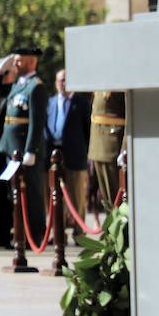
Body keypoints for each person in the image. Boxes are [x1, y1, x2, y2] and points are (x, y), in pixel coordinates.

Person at [0, 46, 48, 244]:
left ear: (31, 62)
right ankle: (20, 233)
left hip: (25, 151)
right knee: (15, 195)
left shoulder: (36, 87)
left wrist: (31, 150)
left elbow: (37, 122)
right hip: (11, 148)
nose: (16, 64)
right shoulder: (19, 84)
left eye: (19, 60)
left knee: (32, 194)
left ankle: (36, 235)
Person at [46, 69, 92, 228]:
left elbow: (88, 130)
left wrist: (86, 153)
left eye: (66, 80)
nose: (62, 83)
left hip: (75, 156)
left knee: (77, 196)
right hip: (53, 155)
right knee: (54, 196)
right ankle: (58, 232)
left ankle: (79, 232)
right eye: (60, 80)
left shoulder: (82, 103)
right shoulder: (51, 102)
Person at [88, 90, 128, 212]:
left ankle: (120, 229)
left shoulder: (120, 83)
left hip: (112, 145)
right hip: (98, 145)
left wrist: (125, 147)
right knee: (106, 198)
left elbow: (130, 115)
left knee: (117, 196)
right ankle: (111, 227)